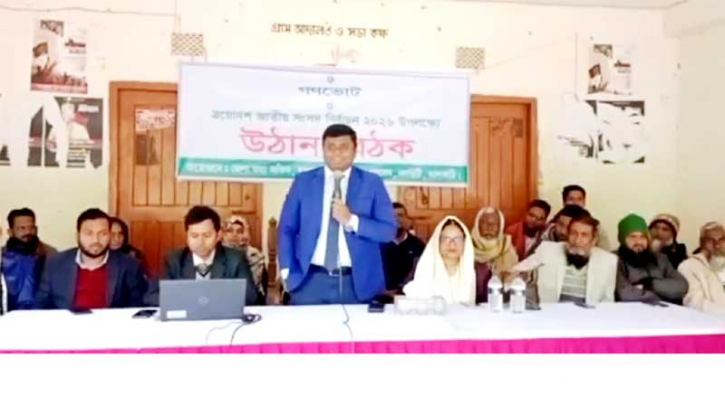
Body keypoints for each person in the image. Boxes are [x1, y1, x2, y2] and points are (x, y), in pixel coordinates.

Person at [278, 124, 397, 305]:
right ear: (323, 149)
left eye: (343, 147)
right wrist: (287, 271)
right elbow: (286, 229)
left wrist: (352, 220)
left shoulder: (372, 183)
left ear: (355, 149)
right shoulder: (303, 182)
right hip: (308, 281)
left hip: (357, 284)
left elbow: (388, 231)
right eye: (331, 147)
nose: (337, 152)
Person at [35, 209, 148, 310]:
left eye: (103, 233)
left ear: (109, 235)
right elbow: (40, 305)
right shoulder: (55, 263)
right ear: (78, 235)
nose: (96, 240)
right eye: (89, 233)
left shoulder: (129, 265)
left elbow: (137, 308)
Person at [147, 206, 258, 306]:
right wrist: (192, 302)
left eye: (207, 235)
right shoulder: (173, 259)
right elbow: (151, 297)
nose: (200, 242)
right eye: (194, 236)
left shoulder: (235, 259)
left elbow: (249, 296)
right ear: (187, 236)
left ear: (218, 235)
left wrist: (207, 302)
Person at [511, 215, 617, 304]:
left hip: (589, 317)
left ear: (594, 240)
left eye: (584, 235)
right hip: (551, 316)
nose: (577, 240)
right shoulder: (547, 250)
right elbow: (516, 272)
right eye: (573, 233)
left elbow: (607, 301)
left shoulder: (609, 261)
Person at [403, 216, 479, 304]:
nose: (452, 244)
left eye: (457, 239)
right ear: (437, 242)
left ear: (465, 242)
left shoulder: (476, 271)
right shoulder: (422, 267)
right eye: (446, 238)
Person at [615, 214, 688, 304]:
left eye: (642, 237)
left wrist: (649, 285)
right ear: (622, 239)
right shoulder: (615, 260)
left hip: (664, 309)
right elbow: (624, 293)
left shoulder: (661, 259)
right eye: (632, 237)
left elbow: (682, 286)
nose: (638, 242)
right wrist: (658, 296)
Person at [1, 208, 56, 312]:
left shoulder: (50, 254)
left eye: (31, 228)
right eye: (22, 228)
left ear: (36, 229)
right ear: (10, 232)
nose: (28, 232)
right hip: (8, 315)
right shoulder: (2, 257)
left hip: (43, 314)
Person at [380, 203, 425, 297]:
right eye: (392, 216)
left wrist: (400, 290)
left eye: (400, 215)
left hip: (409, 294)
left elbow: (419, 271)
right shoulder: (377, 244)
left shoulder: (418, 245)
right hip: (382, 294)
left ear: (407, 219)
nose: (396, 219)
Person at [678, 222, 725, 314]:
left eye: (721, 240)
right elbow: (694, 304)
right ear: (702, 242)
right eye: (710, 240)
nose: (717, 245)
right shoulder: (688, 266)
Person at [222, 214, 267, 303]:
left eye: (239, 231)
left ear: (246, 233)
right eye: (230, 231)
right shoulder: (217, 255)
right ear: (223, 234)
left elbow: (259, 291)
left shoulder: (255, 256)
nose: (234, 235)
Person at [560, 184, 612, 250]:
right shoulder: (555, 223)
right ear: (564, 202)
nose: (576, 203)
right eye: (571, 199)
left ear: (584, 202)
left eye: (579, 199)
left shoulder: (596, 225)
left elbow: (605, 250)